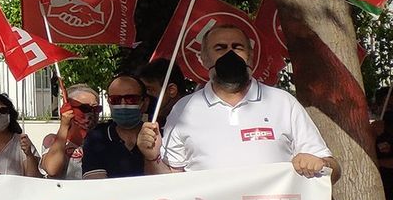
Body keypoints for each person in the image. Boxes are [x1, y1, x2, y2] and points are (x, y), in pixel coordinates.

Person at [141, 24, 335, 179]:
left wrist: (320, 164)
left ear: (250, 55)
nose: (230, 54)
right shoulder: (184, 110)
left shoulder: (283, 103)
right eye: (220, 48)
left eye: (237, 47)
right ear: (204, 59)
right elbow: (170, 182)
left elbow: (332, 168)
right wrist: (152, 157)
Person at [81, 75, 150, 178]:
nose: (123, 105)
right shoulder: (96, 138)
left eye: (131, 99)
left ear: (145, 103)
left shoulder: (158, 136)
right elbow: (96, 186)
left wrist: (152, 157)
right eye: (115, 100)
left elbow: (164, 183)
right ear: (109, 102)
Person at [39, 84, 100, 179]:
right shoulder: (53, 140)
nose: (91, 113)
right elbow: (52, 169)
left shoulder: (103, 141)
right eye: (84, 108)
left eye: (96, 109)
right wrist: (64, 126)